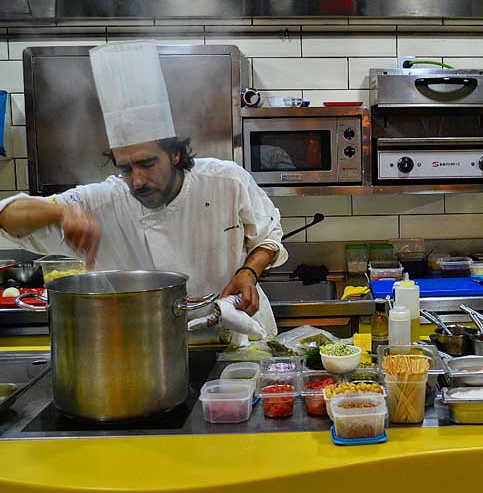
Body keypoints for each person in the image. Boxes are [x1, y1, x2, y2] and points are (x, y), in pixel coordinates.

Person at [0, 41, 287, 342]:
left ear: (175, 154)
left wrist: (248, 273)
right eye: (125, 168)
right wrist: (60, 210)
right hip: (150, 351)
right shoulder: (102, 201)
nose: (137, 181)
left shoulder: (226, 180)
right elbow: (7, 217)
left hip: (236, 338)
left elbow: (269, 235)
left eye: (147, 163)